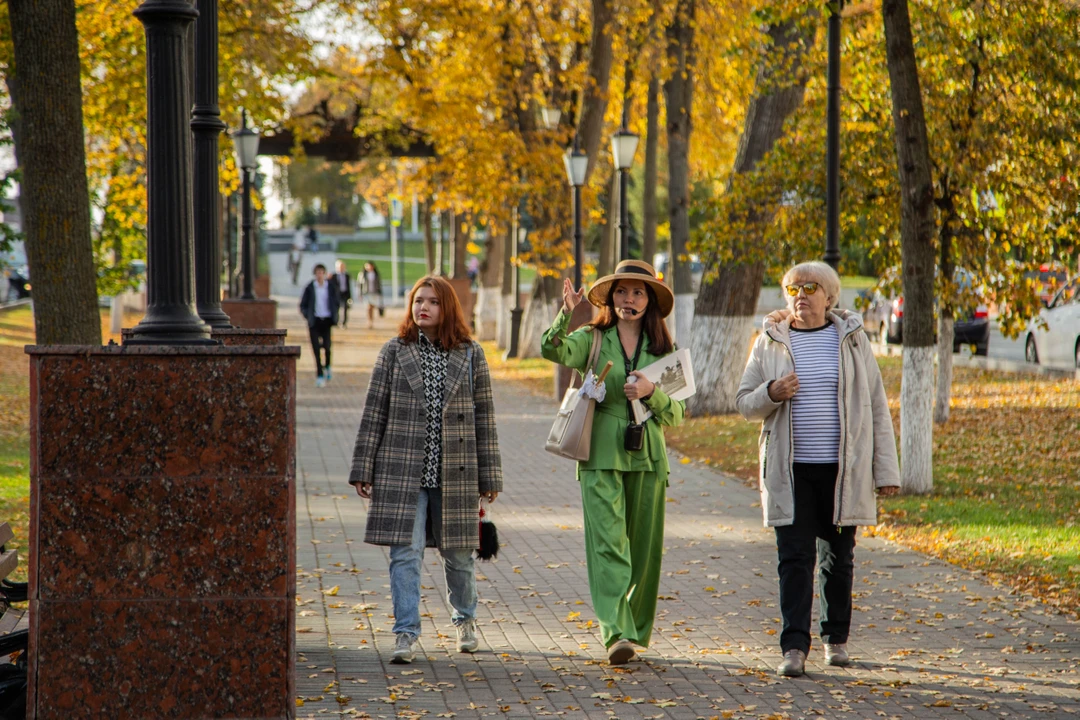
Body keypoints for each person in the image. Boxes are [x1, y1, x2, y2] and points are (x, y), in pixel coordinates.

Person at [736, 260, 900, 678]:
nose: (801, 296)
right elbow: (743, 402)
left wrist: (887, 472)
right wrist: (771, 392)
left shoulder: (852, 340)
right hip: (790, 471)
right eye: (793, 289)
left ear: (830, 297)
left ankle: (836, 640)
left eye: (810, 288)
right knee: (794, 558)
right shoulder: (770, 341)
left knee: (837, 558)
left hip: (843, 470)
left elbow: (877, 407)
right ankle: (794, 647)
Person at [349, 275, 503, 665]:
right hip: (402, 470)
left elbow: (485, 418)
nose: (424, 308)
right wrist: (363, 467)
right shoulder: (393, 351)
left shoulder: (471, 355)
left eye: (433, 302)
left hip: (456, 471)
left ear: (447, 307)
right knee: (405, 553)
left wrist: (490, 478)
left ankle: (465, 621)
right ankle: (405, 633)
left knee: (459, 556)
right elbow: (374, 411)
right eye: (419, 300)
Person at [540, 259, 685, 665]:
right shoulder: (593, 337)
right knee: (608, 546)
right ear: (611, 297)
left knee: (642, 552)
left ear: (649, 301)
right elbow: (551, 349)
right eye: (621, 291)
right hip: (600, 454)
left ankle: (635, 628)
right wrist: (567, 311)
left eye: (638, 292)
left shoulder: (663, 351)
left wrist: (652, 392)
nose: (629, 299)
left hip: (648, 458)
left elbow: (676, 414)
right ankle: (616, 632)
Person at [299, 263, 341, 388]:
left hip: (327, 320)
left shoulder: (330, 287)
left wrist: (335, 314)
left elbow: (337, 301)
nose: (319, 275)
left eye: (321, 272)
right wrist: (308, 315)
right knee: (316, 349)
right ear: (315, 274)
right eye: (317, 272)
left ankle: (327, 365)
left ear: (324, 273)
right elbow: (303, 305)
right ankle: (319, 375)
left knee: (327, 347)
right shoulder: (310, 287)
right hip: (314, 321)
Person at [359, 261, 384, 329]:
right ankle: (369, 321)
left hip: (374, 293)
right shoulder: (363, 274)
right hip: (366, 293)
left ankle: (371, 320)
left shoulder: (376, 274)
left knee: (372, 307)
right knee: (369, 308)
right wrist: (360, 294)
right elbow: (360, 285)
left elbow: (379, 284)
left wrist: (380, 293)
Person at [331, 260, 353, 328]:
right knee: (336, 309)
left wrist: (350, 296)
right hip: (336, 294)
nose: (341, 268)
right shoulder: (333, 276)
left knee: (345, 309)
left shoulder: (347, 275)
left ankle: (343, 323)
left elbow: (349, 286)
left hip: (345, 294)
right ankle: (336, 321)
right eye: (340, 267)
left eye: (343, 266)